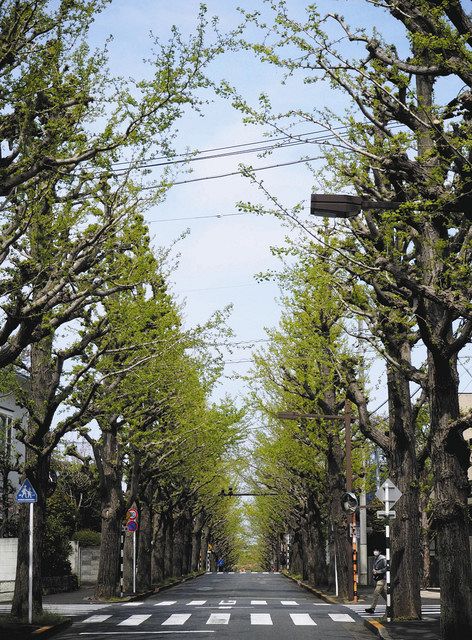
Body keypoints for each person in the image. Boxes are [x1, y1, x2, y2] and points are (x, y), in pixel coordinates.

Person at [365, 547, 387, 614]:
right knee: (383, 593)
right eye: (374, 550)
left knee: (376, 593)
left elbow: (387, 568)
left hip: (382, 578)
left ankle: (372, 608)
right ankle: (391, 603)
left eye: (377, 550)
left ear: (380, 552)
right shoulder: (376, 558)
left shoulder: (383, 559)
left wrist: (378, 571)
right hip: (378, 578)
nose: (375, 552)